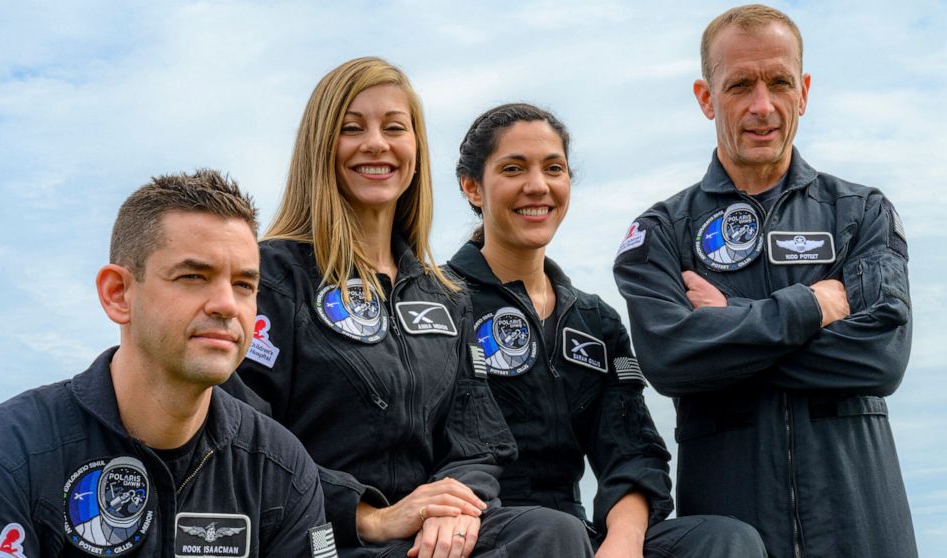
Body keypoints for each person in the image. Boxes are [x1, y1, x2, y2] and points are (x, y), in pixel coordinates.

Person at [220, 57, 593, 558]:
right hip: (321, 537)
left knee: (552, 532)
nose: (377, 143)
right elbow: (241, 432)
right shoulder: (270, 275)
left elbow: (477, 444)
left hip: (424, 540)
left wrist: (453, 508)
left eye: (394, 127)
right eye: (353, 128)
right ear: (319, 146)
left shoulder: (445, 296)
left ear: (415, 150)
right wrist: (368, 515)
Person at [613, 5, 916, 558]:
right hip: (732, 533)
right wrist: (809, 307)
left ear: (803, 92)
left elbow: (882, 357)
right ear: (706, 98)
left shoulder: (861, 213)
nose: (762, 106)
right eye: (740, 85)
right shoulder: (662, 232)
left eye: (779, 82)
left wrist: (729, 321)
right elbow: (669, 358)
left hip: (863, 526)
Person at [448, 102, 767, 558]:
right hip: (476, 532)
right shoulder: (438, 302)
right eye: (513, 169)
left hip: (575, 534)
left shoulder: (595, 320)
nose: (537, 185)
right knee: (553, 532)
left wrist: (623, 541)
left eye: (553, 168)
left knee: (725, 539)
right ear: (472, 187)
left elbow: (631, 453)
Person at [0, 170, 330, 557]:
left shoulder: (282, 469)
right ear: (118, 294)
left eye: (244, 285)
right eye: (193, 276)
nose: (227, 305)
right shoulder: (4, 457)